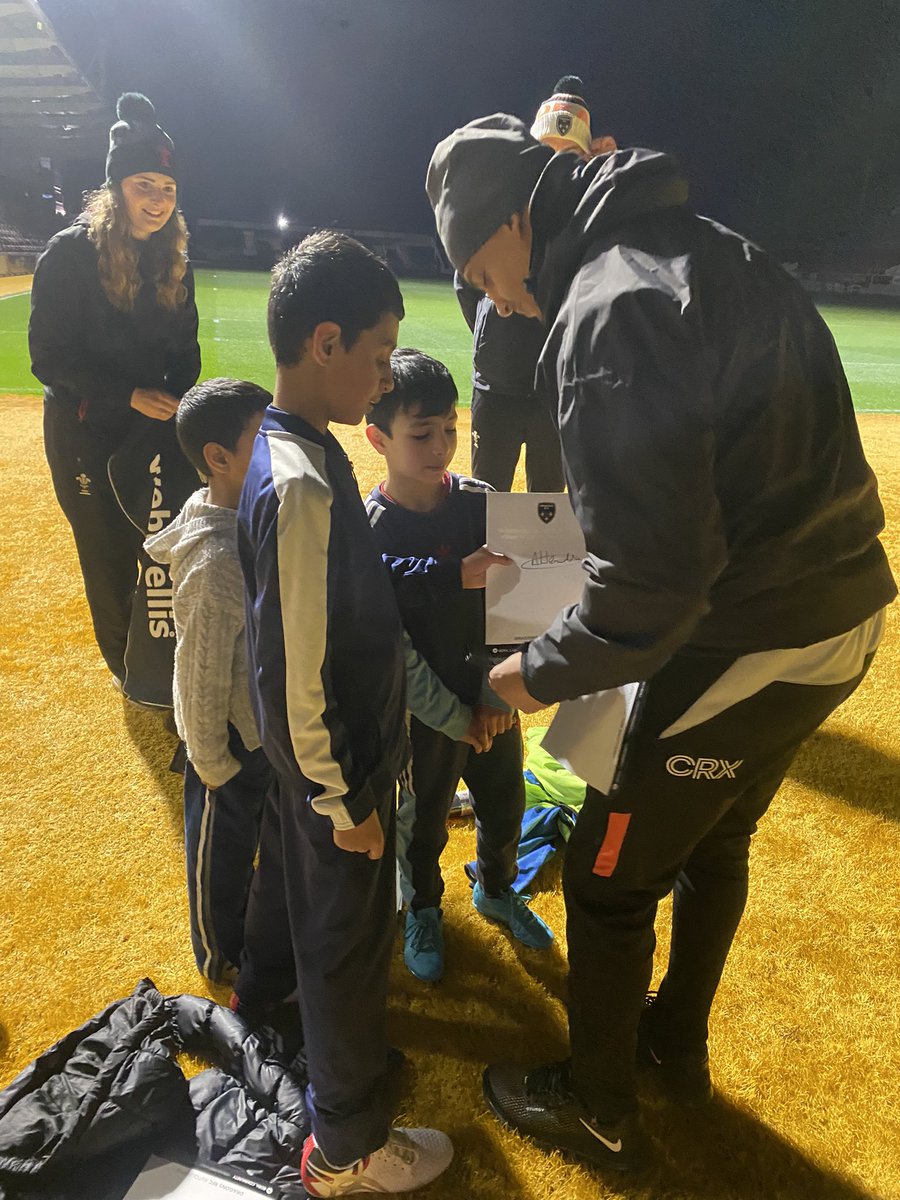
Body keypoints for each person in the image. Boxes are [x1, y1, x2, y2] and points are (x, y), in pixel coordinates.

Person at [426, 115, 896, 1170]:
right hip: (840, 609)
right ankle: (674, 1050)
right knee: (713, 838)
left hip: (757, 630)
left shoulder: (605, 310)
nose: (488, 296)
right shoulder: (702, 246)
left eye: (480, 268)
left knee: (606, 876)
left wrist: (528, 672)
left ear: (515, 217)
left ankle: (596, 1104)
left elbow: (653, 592)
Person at [233, 233, 453, 1197]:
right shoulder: (304, 485)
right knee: (349, 948)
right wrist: (342, 799)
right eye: (375, 356)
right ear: (325, 343)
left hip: (322, 770)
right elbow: (296, 674)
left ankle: (272, 1015)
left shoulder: (297, 447)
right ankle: (350, 1148)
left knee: (303, 926)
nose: (383, 376)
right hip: (339, 775)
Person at [364, 348, 554, 984]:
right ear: (377, 437)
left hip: (491, 701)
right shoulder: (371, 527)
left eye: (450, 427)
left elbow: (524, 608)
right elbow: (379, 617)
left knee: (505, 804)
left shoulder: (482, 504)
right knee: (420, 822)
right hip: (425, 715)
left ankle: (496, 889)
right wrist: (453, 715)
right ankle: (421, 906)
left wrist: (499, 700)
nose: (442, 445)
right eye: (421, 433)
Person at [29, 92, 200, 697]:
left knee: (156, 545)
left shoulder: (174, 256)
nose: (157, 201)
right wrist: (127, 393)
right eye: (143, 185)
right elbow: (47, 358)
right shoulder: (71, 253)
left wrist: (177, 398)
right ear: (116, 187)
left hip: (150, 431)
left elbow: (187, 346)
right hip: (85, 434)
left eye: (168, 190)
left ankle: (164, 665)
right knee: (106, 558)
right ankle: (131, 675)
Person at [145, 378, 271, 984]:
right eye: (262, 436)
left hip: (260, 728)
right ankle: (218, 952)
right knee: (219, 853)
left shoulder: (240, 506)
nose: (277, 445)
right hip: (226, 745)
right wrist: (212, 764)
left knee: (256, 842)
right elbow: (197, 678)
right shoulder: (215, 566)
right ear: (217, 459)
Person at [454, 76, 616, 492]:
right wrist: (492, 332)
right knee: (486, 500)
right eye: (547, 154)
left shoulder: (591, 214)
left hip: (555, 391)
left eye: (568, 156)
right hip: (498, 386)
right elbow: (466, 279)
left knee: (547, 504)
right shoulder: (501, 206)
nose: (554, 166)